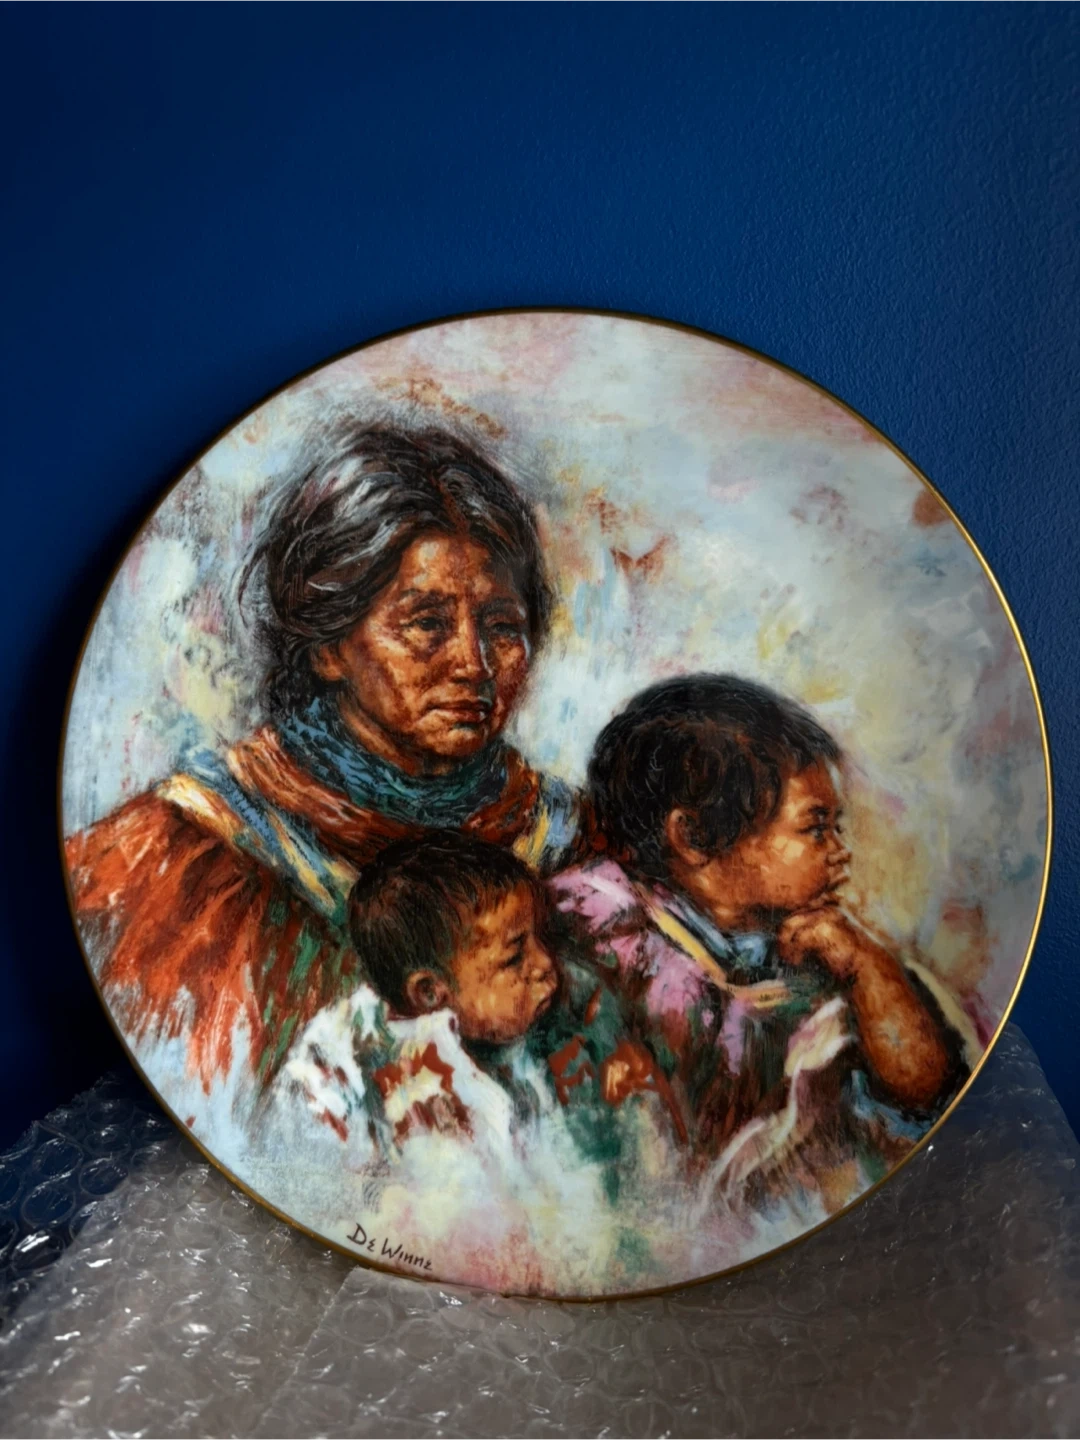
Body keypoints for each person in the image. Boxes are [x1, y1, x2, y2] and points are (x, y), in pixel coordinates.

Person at [65, 424, 580, 1094]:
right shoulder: (189, 853)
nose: (474, 664)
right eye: (427, 623)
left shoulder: (571, 841)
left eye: (502, 627)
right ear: (329, 646)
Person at [552, 674, 976, 1208]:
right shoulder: (601, 934)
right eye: (815, 827)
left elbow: (924, 1093)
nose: (840, 850)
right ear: (694, 837)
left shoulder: (813, 945)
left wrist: (865, 968)